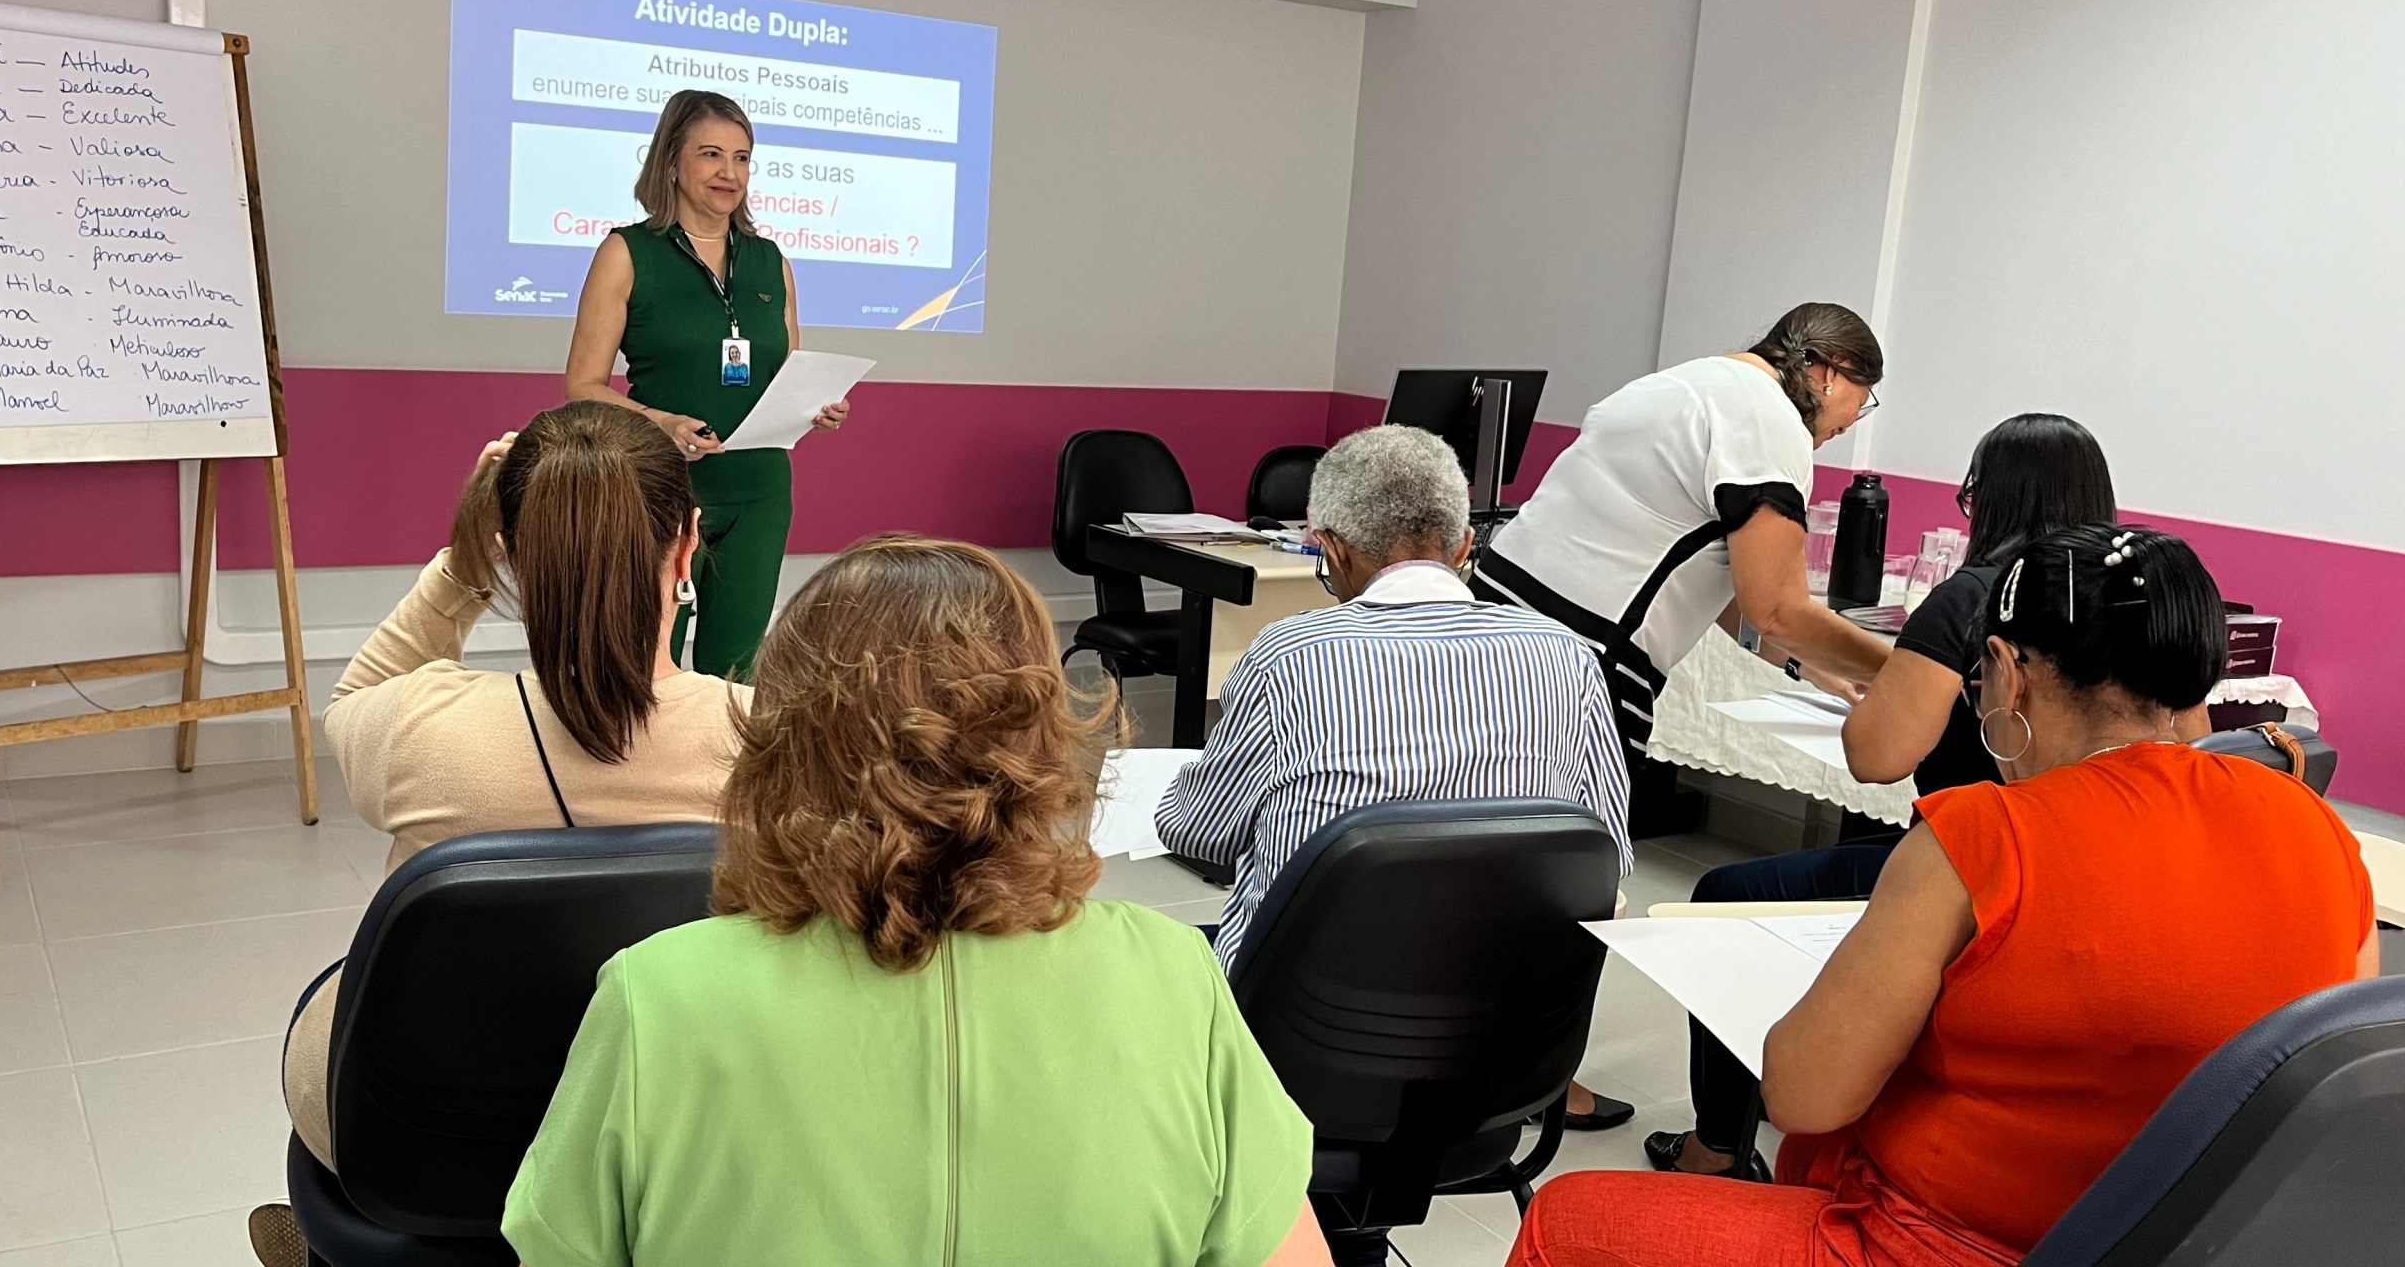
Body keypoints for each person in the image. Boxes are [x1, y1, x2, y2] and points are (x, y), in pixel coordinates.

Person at [1508, 526, 2376, 1267]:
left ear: (2007, 669)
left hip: (1954, 1242)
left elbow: (1806, 1100)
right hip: (2197, 1241)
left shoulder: (1985, 835)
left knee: (1569, 1218)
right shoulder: (2318, 830)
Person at [502, 536, 1333, 1267]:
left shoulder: (657, 998)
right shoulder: (1175, 977)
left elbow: (559, 1248)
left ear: (781, 742)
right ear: (1038, 732)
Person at [262, 402, 746, 1241]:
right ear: (687, 544)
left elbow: (348, 703)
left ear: (513, 551)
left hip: (416, 1150)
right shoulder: (773, 739)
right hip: (677, 1139)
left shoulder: (424, 727)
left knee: (332, 991)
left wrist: (462, 566)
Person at [1153, 425, 1635, 1262]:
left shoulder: (1292, 655)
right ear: (1466, 546)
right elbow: (1608, 862)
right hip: (1503, 1068)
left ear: (1329, 549)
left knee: (1149, 961)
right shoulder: (1567, 657)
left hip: (1291, 1066)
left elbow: (1198, 827)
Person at [1646, 413, 2138, 1181]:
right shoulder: (2134, 609)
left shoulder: (1975, 600)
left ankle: (1717, 1147)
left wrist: (1886, 700)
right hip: (2093, 872)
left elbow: (1878, 758)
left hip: (1970, 871)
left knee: (1723, 895)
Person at [1476, 303, 1895, 835]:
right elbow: (1777, 609)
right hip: (1576, 661)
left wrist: (1813, 667)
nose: (1852, 422)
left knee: (1473, 822)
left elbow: (1718, 583)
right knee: (1558, 857)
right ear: (1832, 371)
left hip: (1493, 614)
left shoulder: (1680, 382)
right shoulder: (1769, 421)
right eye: (1864, 400)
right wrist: (1907, 677)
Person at [563, 89, 848, 679]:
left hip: (760, 489)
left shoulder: (772, 261)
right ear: (671, 160)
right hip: (663, 488)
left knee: (736, 667)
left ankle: (725, 775)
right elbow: (583, 386)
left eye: (742, 158)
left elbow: (784, 378)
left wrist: (816, 406)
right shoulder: (627, 252)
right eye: (712, 155)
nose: (730, 173)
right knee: (651, 666)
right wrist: (661, 423)